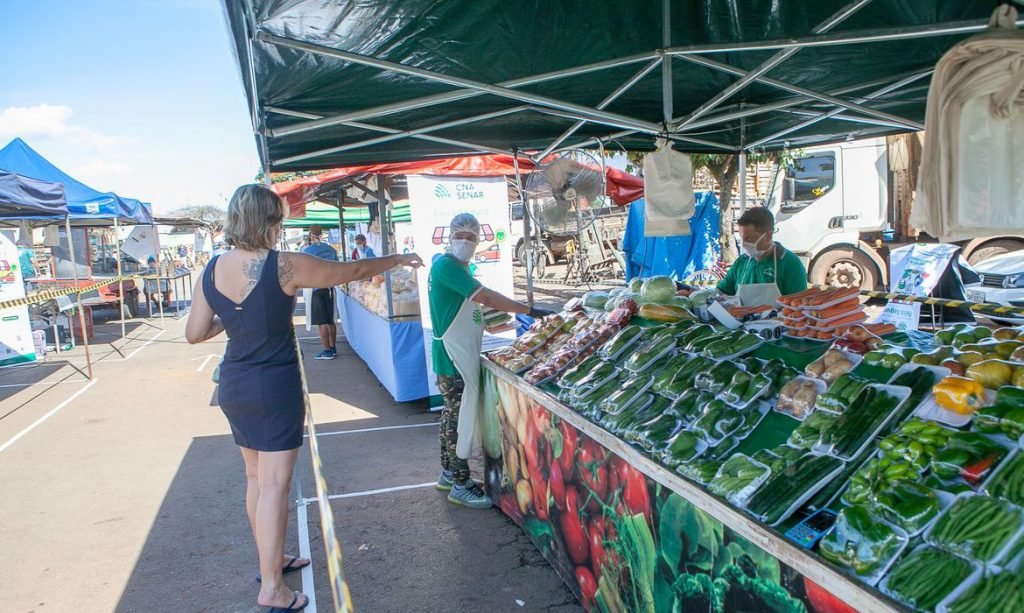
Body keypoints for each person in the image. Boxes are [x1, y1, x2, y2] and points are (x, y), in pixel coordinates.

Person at [186, 184, 421, 612]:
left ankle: (270, 561)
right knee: (275, 484)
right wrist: (398, 258)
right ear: (269, 222)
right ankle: (272, 588)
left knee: (257, 480)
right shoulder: (284, 266)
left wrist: (235, 320)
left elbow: (195, 333)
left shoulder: (211, 268)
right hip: (275, 385)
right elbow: (348, 272)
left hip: (235, 384)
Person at [429, 213, 552, 509]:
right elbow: (487, 298)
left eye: (471, 237)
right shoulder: (447, 266)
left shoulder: (454, 267)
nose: (465, 241)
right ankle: (461, 484)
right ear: (450, 235)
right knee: (460, 420)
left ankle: (448, 472)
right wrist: (531, 310)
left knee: (452, 415)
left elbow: (469, 307)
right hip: (453, 356)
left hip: (455, 353)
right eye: (461, 235)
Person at [717, 207, 808, 305]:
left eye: (749, 238)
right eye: (742, 238)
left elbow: (799, 305)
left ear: (768, 235)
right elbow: (722, 292)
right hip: (740, 319)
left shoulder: (790, 264)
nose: (744, 244)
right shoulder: (741, 262)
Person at [301, 225, 339, 360]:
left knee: (322, 322)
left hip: (315, 289)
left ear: (311, 235)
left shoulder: (307, 251)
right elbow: (338, 267)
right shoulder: (330, 250)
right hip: (329, 288)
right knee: (330, 320)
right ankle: (333, 347)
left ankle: (327, 350)